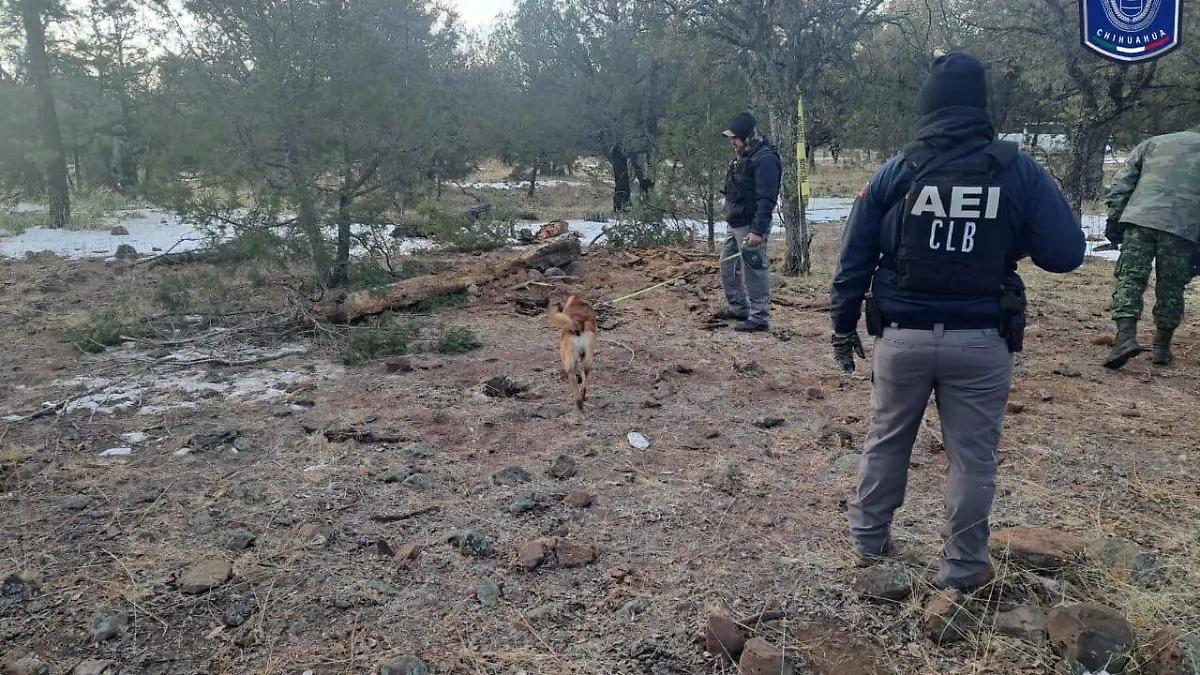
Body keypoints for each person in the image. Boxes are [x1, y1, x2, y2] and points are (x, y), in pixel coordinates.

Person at [828, 52, 1085, 591]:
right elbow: (1065, 253)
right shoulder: (1017, 170)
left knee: (886, 441)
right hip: (980, 341)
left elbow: (853, 258)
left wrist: (841, 324)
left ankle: (869, 543)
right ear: (980, 105)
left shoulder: (896, 172)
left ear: (928, 108)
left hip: (901, 339)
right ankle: (964, 568)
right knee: (973, 459)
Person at [1102, 126, 1200, 369]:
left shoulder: (1153, 142)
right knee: (1171, 286)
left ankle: (1125, 337)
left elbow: (1123, 182)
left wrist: (1114, 217)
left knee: (1130, 279)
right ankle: (1161, 348)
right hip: (1182, 226)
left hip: (1140, 219)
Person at [712, 112, 782, 333]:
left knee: (754, 268)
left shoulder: (766, 159)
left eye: (735, 138)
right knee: (727, 265)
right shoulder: (744, 154)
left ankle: (759, 316)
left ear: (745, 135)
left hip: (751, 226)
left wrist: (757, 230)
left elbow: (767, 199)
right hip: (735, 222)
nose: (732, 142)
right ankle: (739, 307)